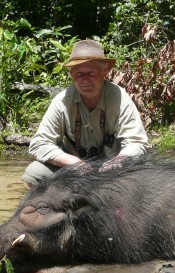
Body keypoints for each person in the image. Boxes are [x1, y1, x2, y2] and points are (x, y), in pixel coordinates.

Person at [22, 39, 148, 188]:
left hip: (114, 170)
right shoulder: (62, 101)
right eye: (79, 74)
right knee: (34, 174)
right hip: (73, 169)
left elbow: (137, 143)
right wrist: (73, 163)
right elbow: (39, 144)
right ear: (71, 74)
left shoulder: (120, 98)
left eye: (91, 73)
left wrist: (117, 161)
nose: (84, 80)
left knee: (143, 174)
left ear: (105, 71)